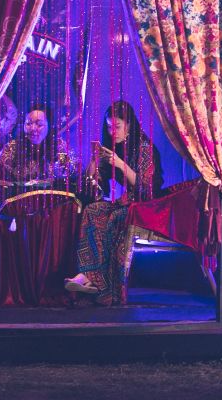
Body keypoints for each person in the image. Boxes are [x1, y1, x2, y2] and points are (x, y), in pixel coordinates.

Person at [65, 100, 163, 305]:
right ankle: (88, 275)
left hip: (147, 206)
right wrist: (95, 160)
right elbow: (93, 184)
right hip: (125, 203)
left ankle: (106, 287)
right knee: (93, 210)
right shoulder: (114, 147)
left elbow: (147, 189)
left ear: (129, 125)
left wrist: (120, 164)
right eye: (109, 127)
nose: (112, 132)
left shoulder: (144, 147)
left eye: (117, 126)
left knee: (115, 217)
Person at [0, 105, 76, 199]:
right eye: (28, 123)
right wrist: (21, 186)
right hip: (20, 201)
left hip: (52, 200)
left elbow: (72, 177)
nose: (33, 128)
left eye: (39, 124)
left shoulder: (59, 147)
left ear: (50, 126)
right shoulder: (12, 147)